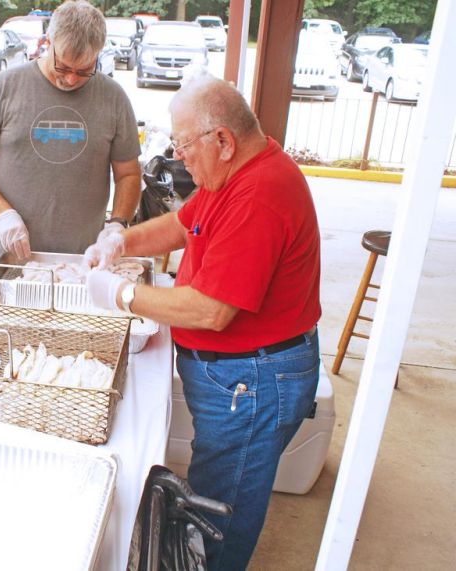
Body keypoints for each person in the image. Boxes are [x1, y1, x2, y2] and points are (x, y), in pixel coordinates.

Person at [84, 71, 321, 570]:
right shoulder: (232, 172)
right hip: (237, 374)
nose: (180, 156)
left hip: (251, 381)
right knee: (215, 490)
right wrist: (121, 240)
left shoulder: (260, 193)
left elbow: (212, 309)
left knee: (221, 515)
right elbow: (183, 223)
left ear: (223, 140)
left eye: (185, 144)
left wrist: (124, 293)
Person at [0, 0, 141, 260]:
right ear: (47, 42)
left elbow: (129, 174)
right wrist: (3, 213)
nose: (71, 79)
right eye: (63, 67)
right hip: (7, 256)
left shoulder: (113, 98)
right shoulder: (4, 88)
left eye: (85, 70)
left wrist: (118, 224)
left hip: (82, 259)